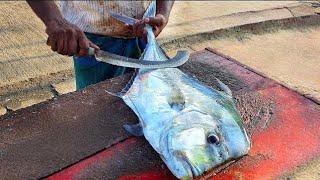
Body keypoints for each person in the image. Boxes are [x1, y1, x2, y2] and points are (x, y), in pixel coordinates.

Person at [27, 1, 174, 90]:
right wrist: (55, 20)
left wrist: (163, 13)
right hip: (93, 42)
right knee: (96, 113)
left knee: (144, 107)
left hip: (146, 34)